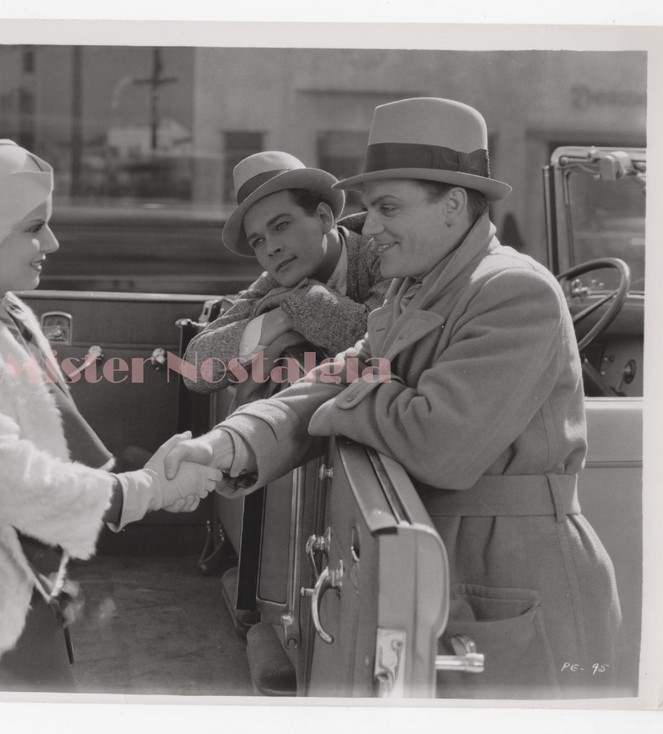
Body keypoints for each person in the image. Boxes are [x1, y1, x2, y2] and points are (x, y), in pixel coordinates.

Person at [165, 98, 621, 699]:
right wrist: (229, 443)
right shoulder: (411, 287)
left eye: (387, 207)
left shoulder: (515, 292)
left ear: (453, 203)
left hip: (514, 578)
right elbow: (327, 380)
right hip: (435, 563)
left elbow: (438, 443)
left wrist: (349, 398)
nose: (369, 228)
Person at [0, 140, 220, 691]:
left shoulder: (5, 307)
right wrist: (149, 488)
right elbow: (11, 478)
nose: (51, 241)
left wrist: (150, 475)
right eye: (33, 227)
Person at [183, 151, 387, 398]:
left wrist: (301, 302)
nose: (271, 249)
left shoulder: (384, 253)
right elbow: (194, 370)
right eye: (257, 241)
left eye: (281, 226)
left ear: (323, 217)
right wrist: (281, 319)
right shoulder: (275, 280)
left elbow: (379, 345)